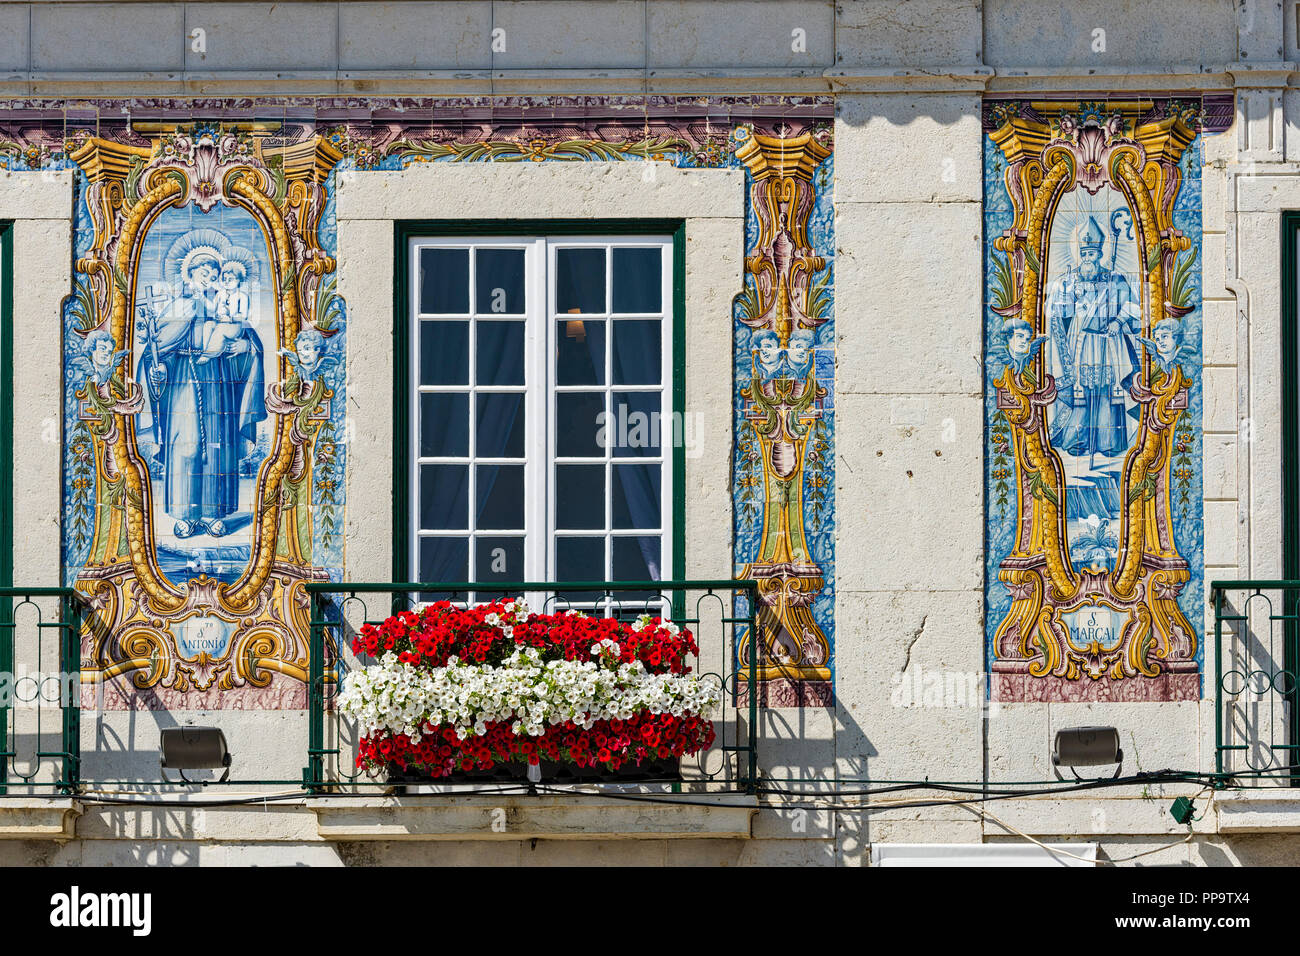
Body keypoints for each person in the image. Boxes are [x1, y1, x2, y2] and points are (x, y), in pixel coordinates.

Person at [137, 229, 266, 539]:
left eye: (213, 273)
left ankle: (215, 514)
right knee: (186, 444)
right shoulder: (177, 308)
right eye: (202, 273)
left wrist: (245, 350)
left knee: (218, 446)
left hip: (219, 380)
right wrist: (158, 371)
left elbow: (250, 344)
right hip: (183, 377)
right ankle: (184, 515)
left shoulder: (228, 308)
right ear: (189, 275)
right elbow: (157, 350)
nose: (208, 278)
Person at [1047, 216, 1141, 466]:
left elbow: (1132, 306)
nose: (1088, 258)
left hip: (1108, 343)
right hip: (1082, 342)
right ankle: (1079, 440)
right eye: (1084, 253)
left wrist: (1118, 322)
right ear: (1079, 253)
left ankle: (1108, 442)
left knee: (1108, 390)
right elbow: (1060, 314)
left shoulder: (1115, 279)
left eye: (1092, 253)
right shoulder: (1070, 280)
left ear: (1100, 254)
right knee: (1082, 390)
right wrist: (1068, 296)